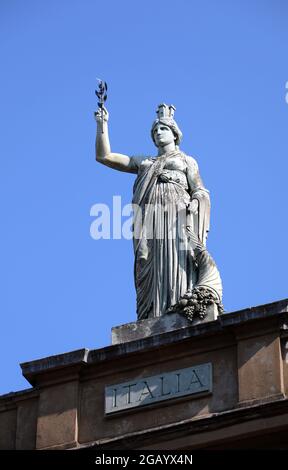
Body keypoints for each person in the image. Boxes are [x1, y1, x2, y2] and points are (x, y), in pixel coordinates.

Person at [95, 104, 222, 321]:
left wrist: (196, 202)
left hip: (177, 216)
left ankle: (180, 305)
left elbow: (200, 189)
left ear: (174, 133)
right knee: (146, 257)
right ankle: (151, 314)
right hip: (149, 218)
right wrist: (102, 124)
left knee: (178, 258)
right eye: (155, 132)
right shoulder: (145, 162)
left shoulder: (186, 160)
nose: (158, 134)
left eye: (162, 129)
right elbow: (104, 156)